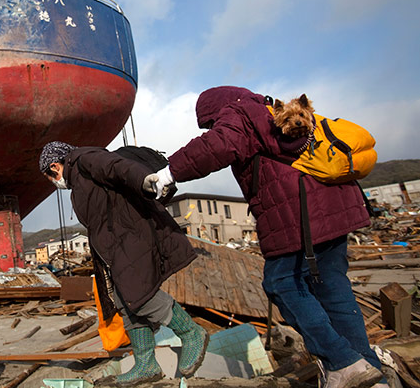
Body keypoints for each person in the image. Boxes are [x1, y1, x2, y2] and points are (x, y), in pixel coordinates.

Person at [150, 86, 386, 388]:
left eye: (209, 123)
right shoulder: (268, 110)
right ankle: (370, 372)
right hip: (334, 209)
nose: (212, 127)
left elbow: (218, 145)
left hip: (298, 216)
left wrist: (170, 173)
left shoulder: (239, 113)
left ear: (215, 110)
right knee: (335, 292)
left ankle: (341, 362)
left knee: (281, 282)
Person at [38, 142, 208, 385]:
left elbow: (115, 167)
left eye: (49, 176)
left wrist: (143, 180)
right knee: (123, 301)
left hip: (130, 235)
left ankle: (190, 332)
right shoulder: (78, 182)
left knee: (141, 294)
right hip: (114, 246)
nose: (53, 182)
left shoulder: (84, 160)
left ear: (55, 166)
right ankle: (146, 363)